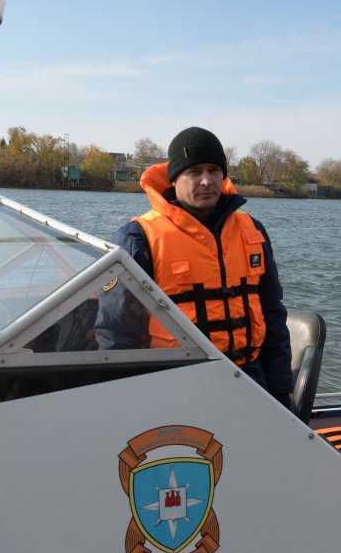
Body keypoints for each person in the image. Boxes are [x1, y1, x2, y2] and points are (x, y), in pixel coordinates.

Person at [95, 126, 293, 407]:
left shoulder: (253, 231)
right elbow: (117, 332)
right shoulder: (138, 238)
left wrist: (280, 389)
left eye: (214, 170)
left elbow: (272, 314)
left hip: (249, 378)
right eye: (194, 172)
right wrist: (125, 402)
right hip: (172, 384)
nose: (206, 181)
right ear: (175, 179)